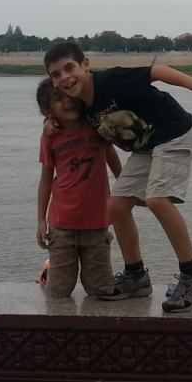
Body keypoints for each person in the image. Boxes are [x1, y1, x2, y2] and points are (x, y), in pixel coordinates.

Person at [43, 41, 192, 313]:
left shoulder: (111, 80)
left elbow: (158, 71)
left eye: (69, 68)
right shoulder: (80, 103)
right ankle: (136, 275)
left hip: (174, 132)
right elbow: (63, 114)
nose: (64, 78)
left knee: (158, 200)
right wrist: (49, 120)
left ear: (86, 65)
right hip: (146, 148)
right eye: (55, 74)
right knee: (115, 206)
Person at [35, 78, 122, 298]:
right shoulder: (49, 136)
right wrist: (41, 220)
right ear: (47, 109)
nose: (68, 102)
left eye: (70, 96)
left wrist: (124, 189)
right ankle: (49, 271)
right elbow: (46, 179)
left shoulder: (96, 124)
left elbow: (111, 156)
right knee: (59, 291)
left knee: (99, 290)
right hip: (62, 225)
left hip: (97, 222)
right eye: (58, 99)